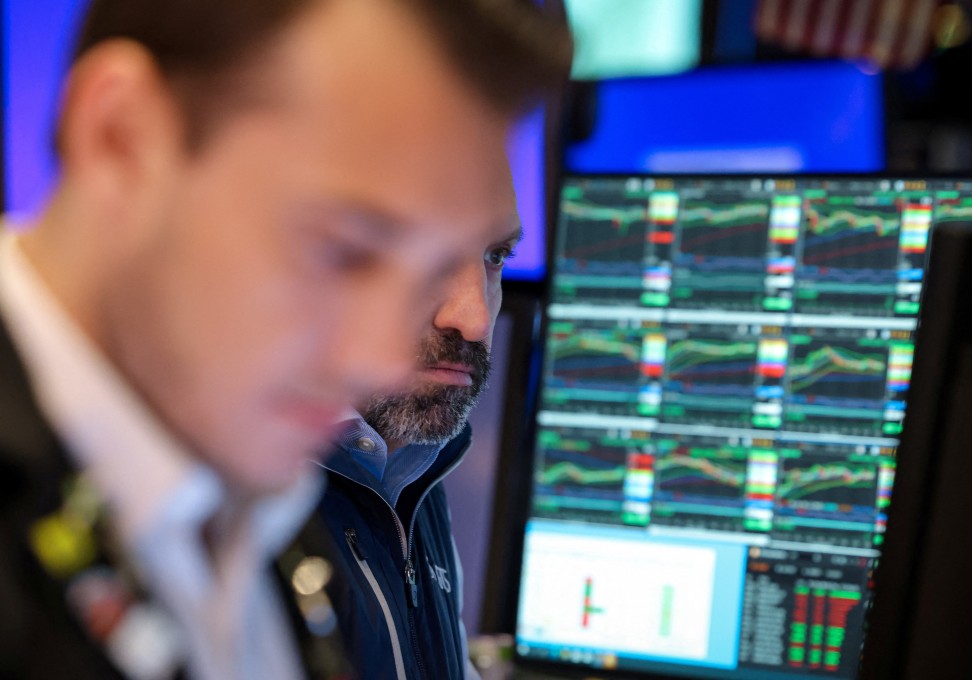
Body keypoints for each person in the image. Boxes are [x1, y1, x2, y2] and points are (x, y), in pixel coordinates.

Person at [0, 1, 571, 678]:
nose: (380, 357)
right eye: (345, 250)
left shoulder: (252, 500)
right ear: (120, 138)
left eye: (437, 266)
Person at [317, 207, 520, 679]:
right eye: (437, 251)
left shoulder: (418, 459)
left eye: (496, 256)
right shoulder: (250, 484)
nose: (476, 319)